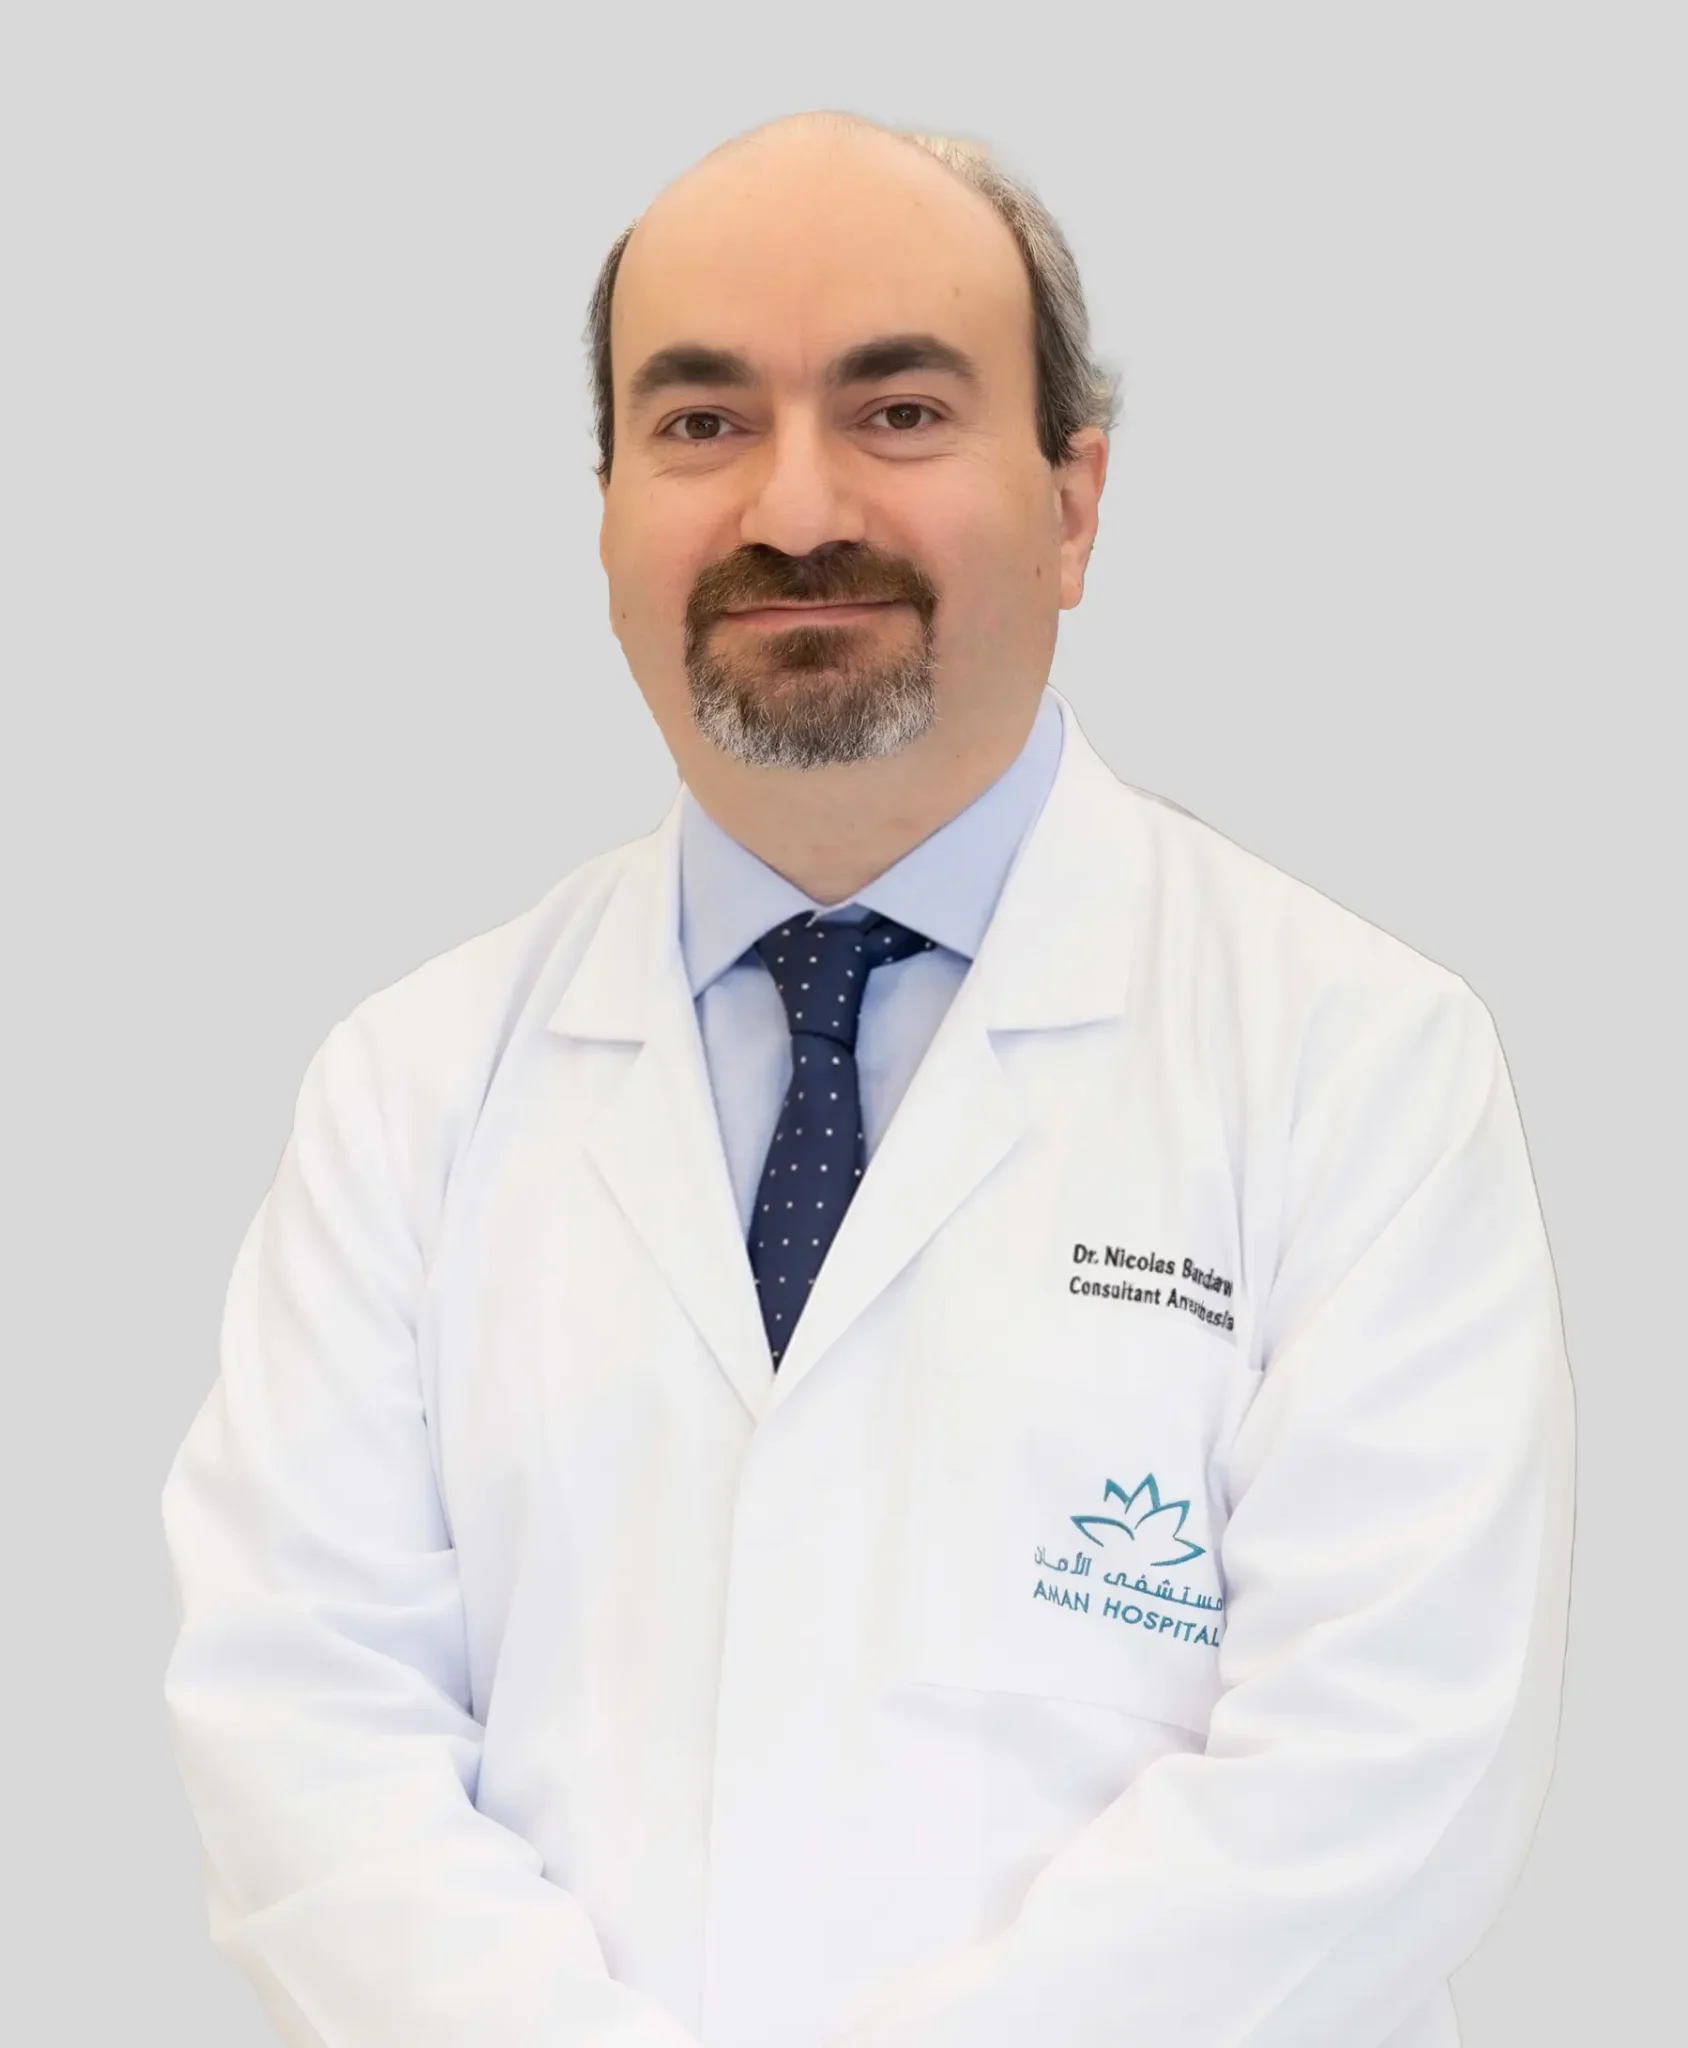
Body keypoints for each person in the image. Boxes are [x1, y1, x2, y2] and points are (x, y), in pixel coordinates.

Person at [161, 109, 1574, 2048]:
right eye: (700, 421)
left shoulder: (1360, 1064)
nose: (795, 505)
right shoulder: (405, 1095)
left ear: (1073, 501)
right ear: (605, 511)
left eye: (899, 411)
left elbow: (1377, 1783)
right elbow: (305, 1740)